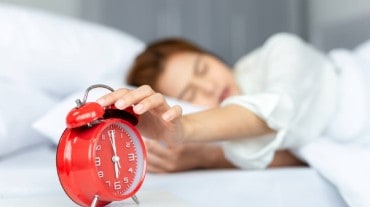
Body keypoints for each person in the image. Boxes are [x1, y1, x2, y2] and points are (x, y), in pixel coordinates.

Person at [96, 33, 360, 173]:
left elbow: (277, 113)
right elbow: (302, 155)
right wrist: (202, 156)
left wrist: (184, 129)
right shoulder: (224, 135)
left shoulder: (282, 50)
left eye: (202, 68)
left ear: (210, 54)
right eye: (190, 95)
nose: (210, 86)